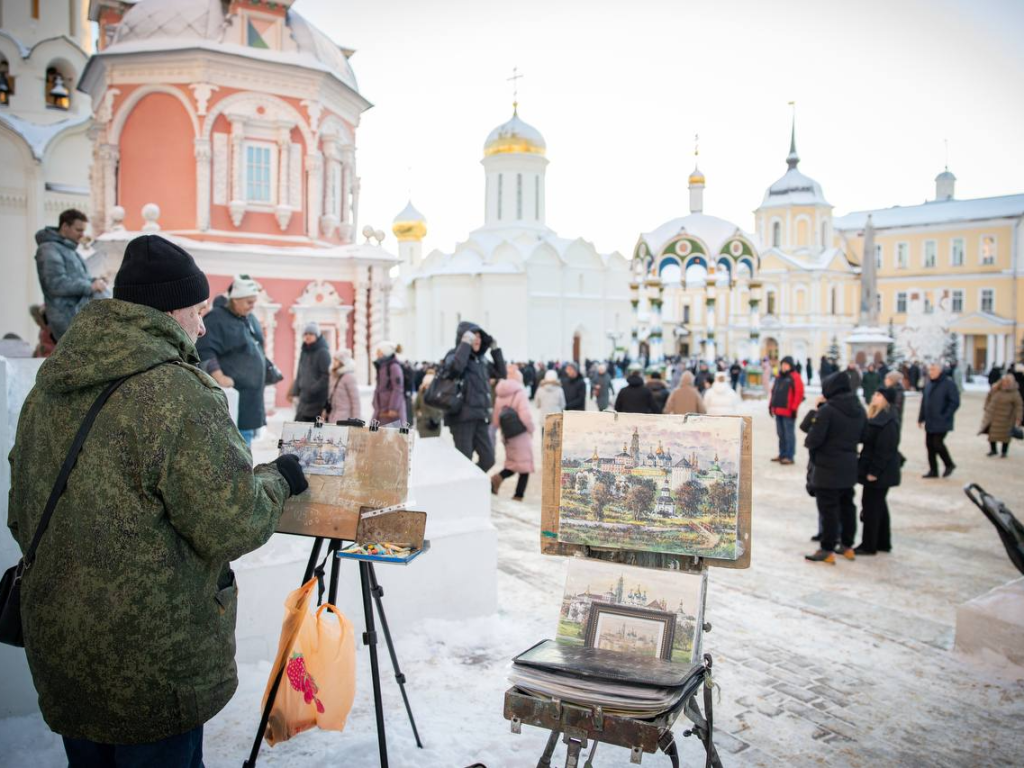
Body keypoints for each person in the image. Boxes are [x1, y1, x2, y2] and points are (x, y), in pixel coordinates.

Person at [8, 233, 308, 765]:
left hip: (63, 649)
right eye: (196, 311)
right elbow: (233, 521)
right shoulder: (178, 392)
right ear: (168, 311)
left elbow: (21, 511)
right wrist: (280, 478)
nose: (201, 325)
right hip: (150, 663)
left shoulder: (51, 386)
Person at [196, 275, 268, 447]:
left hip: (251, 398)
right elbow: (205, 350)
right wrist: (219, 376)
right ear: (235, 300)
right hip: (233, 398)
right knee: (235, 448)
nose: (252, 306)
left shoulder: (249, 318)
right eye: (249, 302)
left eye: (254, 302)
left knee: (246, 444)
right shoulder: (216, 319)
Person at [804, 371, 867, 563]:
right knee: (847, 506)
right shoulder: (858, 408)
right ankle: (847, 546)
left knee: (828, 510)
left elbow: (812, 440)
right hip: (848, 465)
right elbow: (864, 435)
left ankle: (827, 548)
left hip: (826, 468)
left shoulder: (828, 410)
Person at [34, 208, 107, 342]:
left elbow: (80, 279)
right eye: (78, 230)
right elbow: (55, 284)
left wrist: (96, 281)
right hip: (66, 319)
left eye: (83, 231)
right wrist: (90, 286)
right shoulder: (48, 249)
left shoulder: (70, 250)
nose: (82, 235)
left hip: (79, 317)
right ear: (65, 226)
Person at [442, 321, 506, 470]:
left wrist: (495, 350)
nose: (477, 339)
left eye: (479, 336)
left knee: (488, 459)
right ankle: (462, 489)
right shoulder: (453, 355)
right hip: (461, 419)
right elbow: (455, 369)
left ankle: (471, 482)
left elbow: (501, 373)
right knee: (464, 461)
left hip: (480, 417)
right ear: (464, 338)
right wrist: (464, 345)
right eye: (473, 336)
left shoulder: (481, 360)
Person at [856, 387, 902, 555]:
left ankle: (869, 545)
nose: (874, 397)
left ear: (885, 399)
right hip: (879, 470)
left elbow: (885, 449)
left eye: (878, 395)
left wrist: (874, 471)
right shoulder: (877, 416)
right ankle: (883, 542)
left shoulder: (888, 420)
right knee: (879, 506)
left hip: (881, 472)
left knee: (871, 507)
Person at [491, 367, 535, 501]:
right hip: (520, 434)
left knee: (513, 463)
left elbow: (496, 419)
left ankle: (497, 479)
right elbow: (525, 415)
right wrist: (531, 428)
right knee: (525, 465)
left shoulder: (500, 394)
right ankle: (518, 495)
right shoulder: (520, 393)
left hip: (508, 435)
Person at [918, 362, 960, 478]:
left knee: (937, 443)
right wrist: (921, 418)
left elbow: (954, 402)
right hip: (930, 420)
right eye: (930, 370)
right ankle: (933, 470)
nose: (930, 372)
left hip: (942, 421)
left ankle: (949, 464)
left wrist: (945, 415)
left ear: (940, 371)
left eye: (933, 370)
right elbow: (924, 402)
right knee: (929, 445)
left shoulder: (948, 384)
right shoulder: (929, 384)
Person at [289, 321, 331, 422]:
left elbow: (326, 376)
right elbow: (299, 373)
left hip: (317, 400)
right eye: (306, 334)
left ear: (317, 335)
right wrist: (295, 391)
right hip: (303, 399)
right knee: (298, 428)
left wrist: (313, 389)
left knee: (313, 432)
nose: (308, 336)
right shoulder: (304, 352)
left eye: (311, 334)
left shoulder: (323, 352)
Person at [769, 356, 805, 465]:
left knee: (789, 434)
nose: (784, 366)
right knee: (780, 434)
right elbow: (774, 392)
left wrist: (794, 408)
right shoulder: (779, 376)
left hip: (788, 412)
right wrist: (771, 406)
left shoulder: (795, 377)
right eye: (783, 364)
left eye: (786, 364)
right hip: (778, 410)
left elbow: (799, 394)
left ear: (790, 365)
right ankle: (782, 454)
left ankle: (789, 456)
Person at [982, 374, 1023, 458]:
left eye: (1008, 382)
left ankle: (1004, 451)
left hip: (1006, 418)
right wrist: (986, 407)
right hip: (993, 417)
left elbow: (1019, 406)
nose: (1005, 384)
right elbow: (989, 397)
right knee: (992, 435)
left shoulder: (1014, 393)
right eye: (1004, 381)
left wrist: (1019, 417)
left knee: (1006, 436)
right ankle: (993, 450)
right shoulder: (996, 389)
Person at [372, 341, 406, 426]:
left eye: (378, 351)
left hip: (391, 412)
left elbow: (398, 388)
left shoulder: (394, 367)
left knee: (392, 437)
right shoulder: (382, 367)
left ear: (384, 353)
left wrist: (393, 407)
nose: (376, 354)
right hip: (381, 410)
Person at [414, 368, 444, 438]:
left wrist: (437, 419)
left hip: (435, 425)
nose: (428, 387)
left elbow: (442, 410)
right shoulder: (421, 393)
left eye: (430, 385)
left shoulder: (439, 394)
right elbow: (415, 407)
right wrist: (419, 415)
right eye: (427, 385)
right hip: (423, 424)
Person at [536, 369, 567, 436]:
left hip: (544, 418)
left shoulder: (540, 389)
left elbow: (537, 404)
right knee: (555, 442)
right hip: (556, 418)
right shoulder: (559, 390)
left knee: (544, 440)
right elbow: (563, 405)